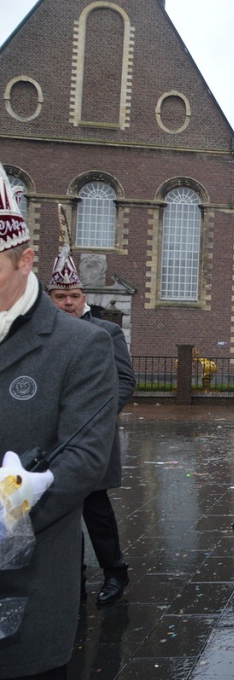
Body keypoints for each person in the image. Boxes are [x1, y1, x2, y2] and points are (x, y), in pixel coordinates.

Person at [0, 168, 117, 679]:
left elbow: (82, 461)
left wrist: (6, 519)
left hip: (25, 586)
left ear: (25, 261)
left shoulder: (83, 344)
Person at [48, 204, 135, 606]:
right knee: (57, 512)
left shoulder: (105, 333)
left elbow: (125, 381)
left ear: (84, 297)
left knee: (95, 509)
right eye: (60, 296)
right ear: (50, 298)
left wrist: (97, 419)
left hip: (91, 437)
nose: (68, 302)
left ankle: (115, 573)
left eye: (74, 295)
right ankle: (72, 578)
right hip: (50, 438)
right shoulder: (41, 334)